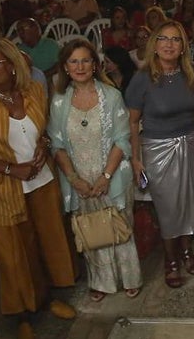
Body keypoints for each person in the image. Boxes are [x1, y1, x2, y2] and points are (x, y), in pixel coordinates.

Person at [0, 39, 78, 339]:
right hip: (4, 187)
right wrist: (11, 169)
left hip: (42, 181)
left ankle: (48, 298)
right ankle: (21, 317)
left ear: (13, 65)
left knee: (45, 241)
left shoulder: (34, 92)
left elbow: (42, 132)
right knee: (11, 253)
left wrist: (42, 147)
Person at [47, 39, 143, 302]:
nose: (80, 66)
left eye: (85, 60)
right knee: (90, 229)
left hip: (111, 174)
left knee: (120, 224)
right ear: (65, 67)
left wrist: (106, 176)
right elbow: (55, 145)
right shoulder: (57, 102)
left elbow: (122, 140)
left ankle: (130, 277)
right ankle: (101, 280)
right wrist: (74, 178)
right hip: (79, 179)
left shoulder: (111, 96)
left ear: (95, 65)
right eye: (73, 61)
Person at [126, 20, 194, 288]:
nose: (169, 44)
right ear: (154, 45)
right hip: (157, 149)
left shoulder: (191, 73)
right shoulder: (143, 77)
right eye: (163, 39)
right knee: (168, 206)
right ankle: (170, 260)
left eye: (176, 39)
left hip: (192, 144)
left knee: (191, 201)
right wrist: (136, 159)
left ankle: (186, 250)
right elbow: (132, 122)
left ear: (183, 46)